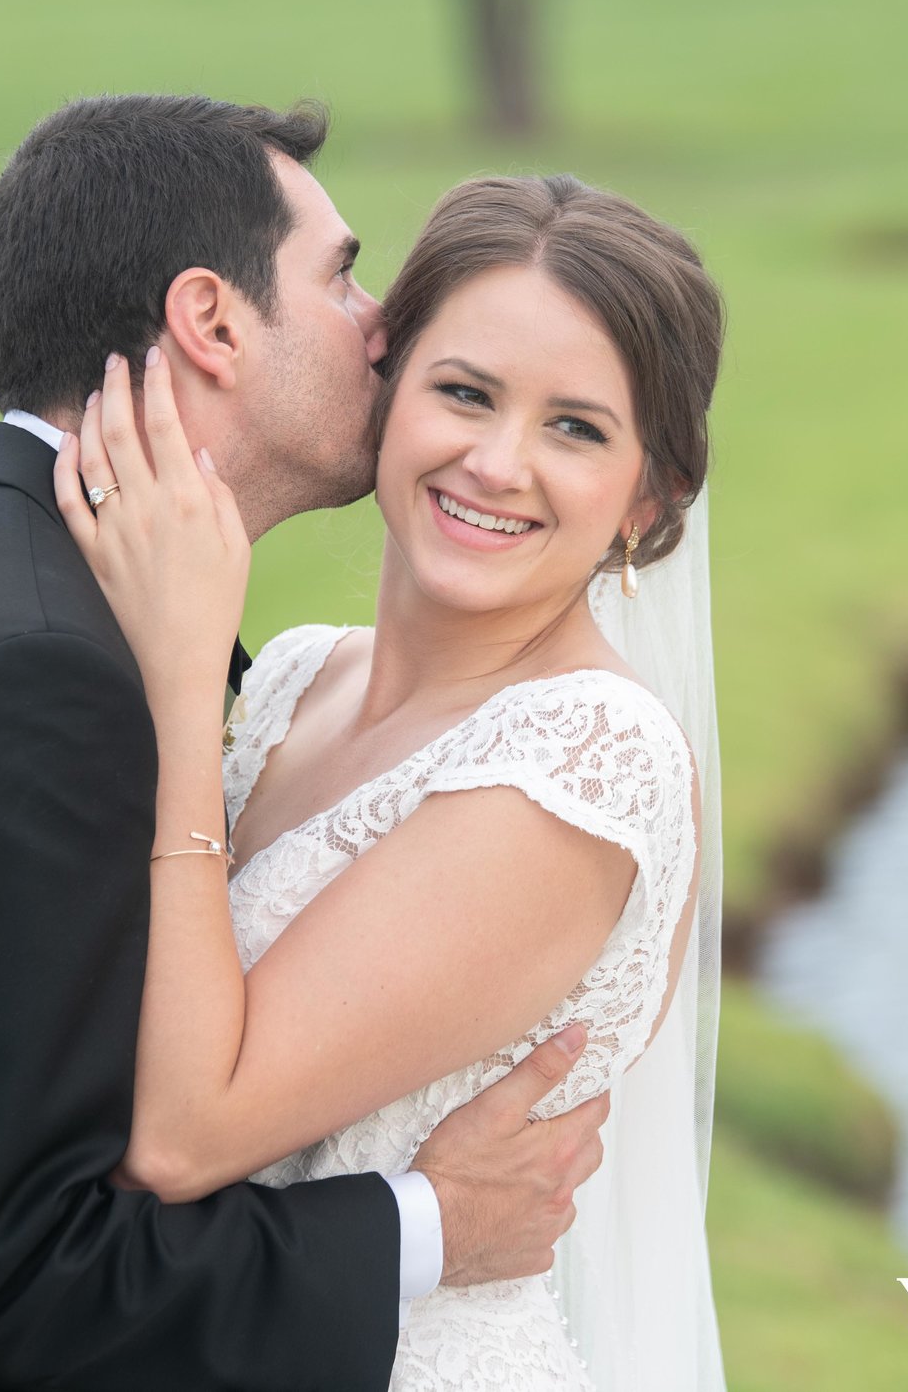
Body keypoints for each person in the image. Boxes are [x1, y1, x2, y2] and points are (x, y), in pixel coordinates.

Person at [0, 96, 614, 1392]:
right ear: (212, 320)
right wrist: (428, 1224)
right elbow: (14, 1273)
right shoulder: (40, 673)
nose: (381, 326)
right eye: (341, 272)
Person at [58, 172, 728, 1390]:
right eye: (463, 392)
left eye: (575, 427)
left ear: (647, 499)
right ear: (387, 390)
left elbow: (186, 1133)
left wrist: (179, 668)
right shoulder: (298, 681)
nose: (496, 461)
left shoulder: (583, 760)